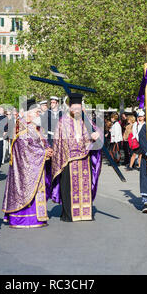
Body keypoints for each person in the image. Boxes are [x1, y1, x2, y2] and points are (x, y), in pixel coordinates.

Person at [51, 93, 102, 222]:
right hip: (68, 160)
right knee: (68, 188)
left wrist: (96, 136)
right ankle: (70, 214)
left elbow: (96, 133)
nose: (76, 111)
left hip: (84, 159)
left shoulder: (87, 120)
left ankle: (85, 213)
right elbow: (58, 142)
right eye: (74, 109)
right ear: (70, 108)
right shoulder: (63, 121)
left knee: (84, 186)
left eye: (79, 109)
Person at [3, 99, 53, 228]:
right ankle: (25, 219)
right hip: (25, 168)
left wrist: (48, 149)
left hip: (36, 165)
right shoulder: (21, 127)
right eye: (36, 112)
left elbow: (41, 142)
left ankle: (38, 217)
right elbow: (24, 149)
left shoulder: (35, 127)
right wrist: (43, 153)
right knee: (26, 190)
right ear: (27, 113)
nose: (38, 114)